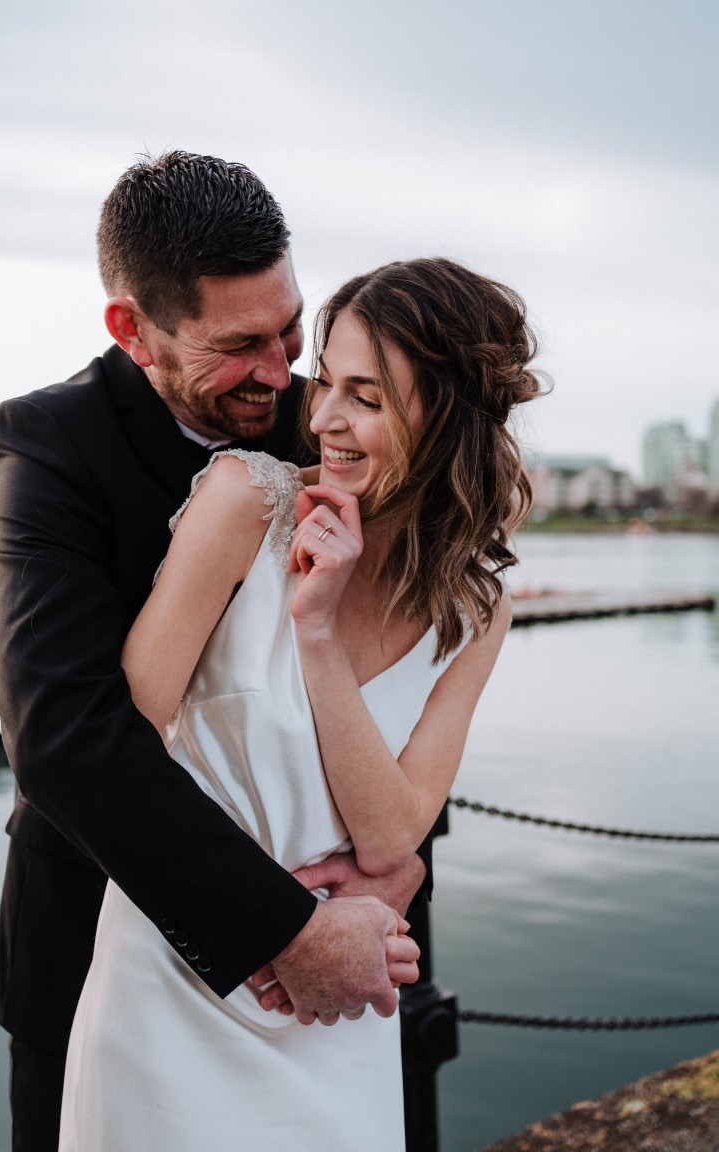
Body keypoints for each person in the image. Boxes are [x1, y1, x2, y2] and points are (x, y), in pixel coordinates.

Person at [0, 151, 425, 1152]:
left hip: (342, 936)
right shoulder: (46, 446)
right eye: (240, 345)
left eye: (291, 328)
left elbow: (407, 641)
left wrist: (393, 871)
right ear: (131, 328)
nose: (283, 373)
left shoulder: (336, 416)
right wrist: (283, 931)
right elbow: (62, 737)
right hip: (104, 941)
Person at [57, 256, 542, 1151]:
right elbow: (117, 749)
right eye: (328, 382)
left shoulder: (476, 609)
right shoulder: (247, 503)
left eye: (365, 395)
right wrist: (273, 919)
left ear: (443, 412)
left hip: (339, 1004)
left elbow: (393, 834)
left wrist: (316, 630)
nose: (321, 418)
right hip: (177, 981)